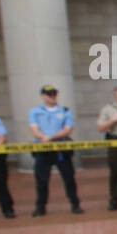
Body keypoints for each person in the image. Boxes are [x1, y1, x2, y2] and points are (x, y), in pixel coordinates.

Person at [28, 85, 83, 216]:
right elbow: (34, 129)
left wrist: (50, 137)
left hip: (61, 149)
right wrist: (43, 138)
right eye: (49, 94)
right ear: (43, 96)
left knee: (69, 178)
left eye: (54, 93)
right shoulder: (35, 111)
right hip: (42, 148)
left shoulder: (65, 110)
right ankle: (40, 207)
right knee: (41, 180)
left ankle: (75, 204)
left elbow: (67, 130)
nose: (52, 96)